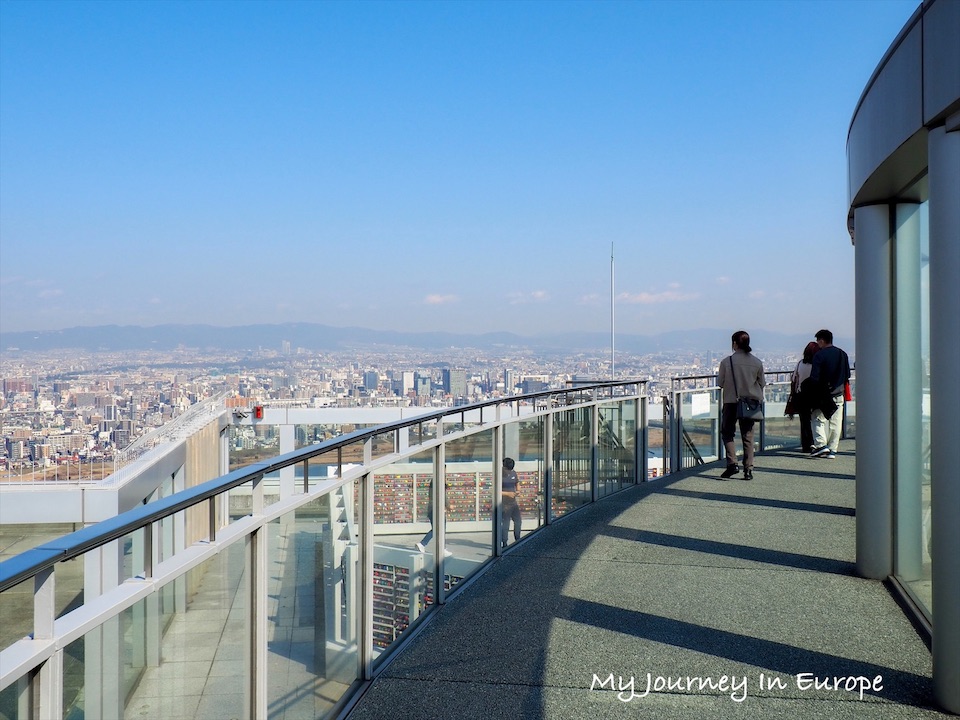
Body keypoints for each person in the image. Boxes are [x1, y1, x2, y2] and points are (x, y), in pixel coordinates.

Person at [717, 330, 766, 481]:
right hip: (750, 404)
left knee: (727, 433)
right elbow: (762, 383)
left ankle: (732, 463)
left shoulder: (727, 362)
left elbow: (720, 383)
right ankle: (748, 469)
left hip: (731, 402)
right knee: (748, 436)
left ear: (734, 344)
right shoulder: (757, 362)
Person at [809, 329, 851, 460]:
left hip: (824, 394)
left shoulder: (819, 355)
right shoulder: (842, 354)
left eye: (818, 341)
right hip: (839, 393)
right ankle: (833, 449)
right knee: (836, 423)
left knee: (817, 418)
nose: (818, 344)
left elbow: (814, 378)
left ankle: (821, 445)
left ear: (822, 340)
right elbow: (847, 375)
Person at [791, 341, 820, 453]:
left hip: (801, 396)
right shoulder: (817, 365)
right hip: (815, 396)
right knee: (817, 419)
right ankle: (817, 443)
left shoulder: (800, 364)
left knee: (804, 422)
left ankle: (806, 445)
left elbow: (794, 379)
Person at [416, 477, 452, 557]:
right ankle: (423, 544)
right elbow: (443, 495)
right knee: (440, 529)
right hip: (437, 509)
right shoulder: (439, 480)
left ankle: (439, 548)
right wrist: (448, 506)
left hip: (432, 508)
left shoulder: (433, 483)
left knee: (437, 529)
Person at [500, 457, 522, 547]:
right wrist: (507, 494)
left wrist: (518, 491)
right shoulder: (499, 474)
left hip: (513, 502)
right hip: (504, 503)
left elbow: (517, 483)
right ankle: (504, 542)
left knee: (518, 521)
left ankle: (518, 539)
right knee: (506, 523)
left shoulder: (513, 473)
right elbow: (496, 490)